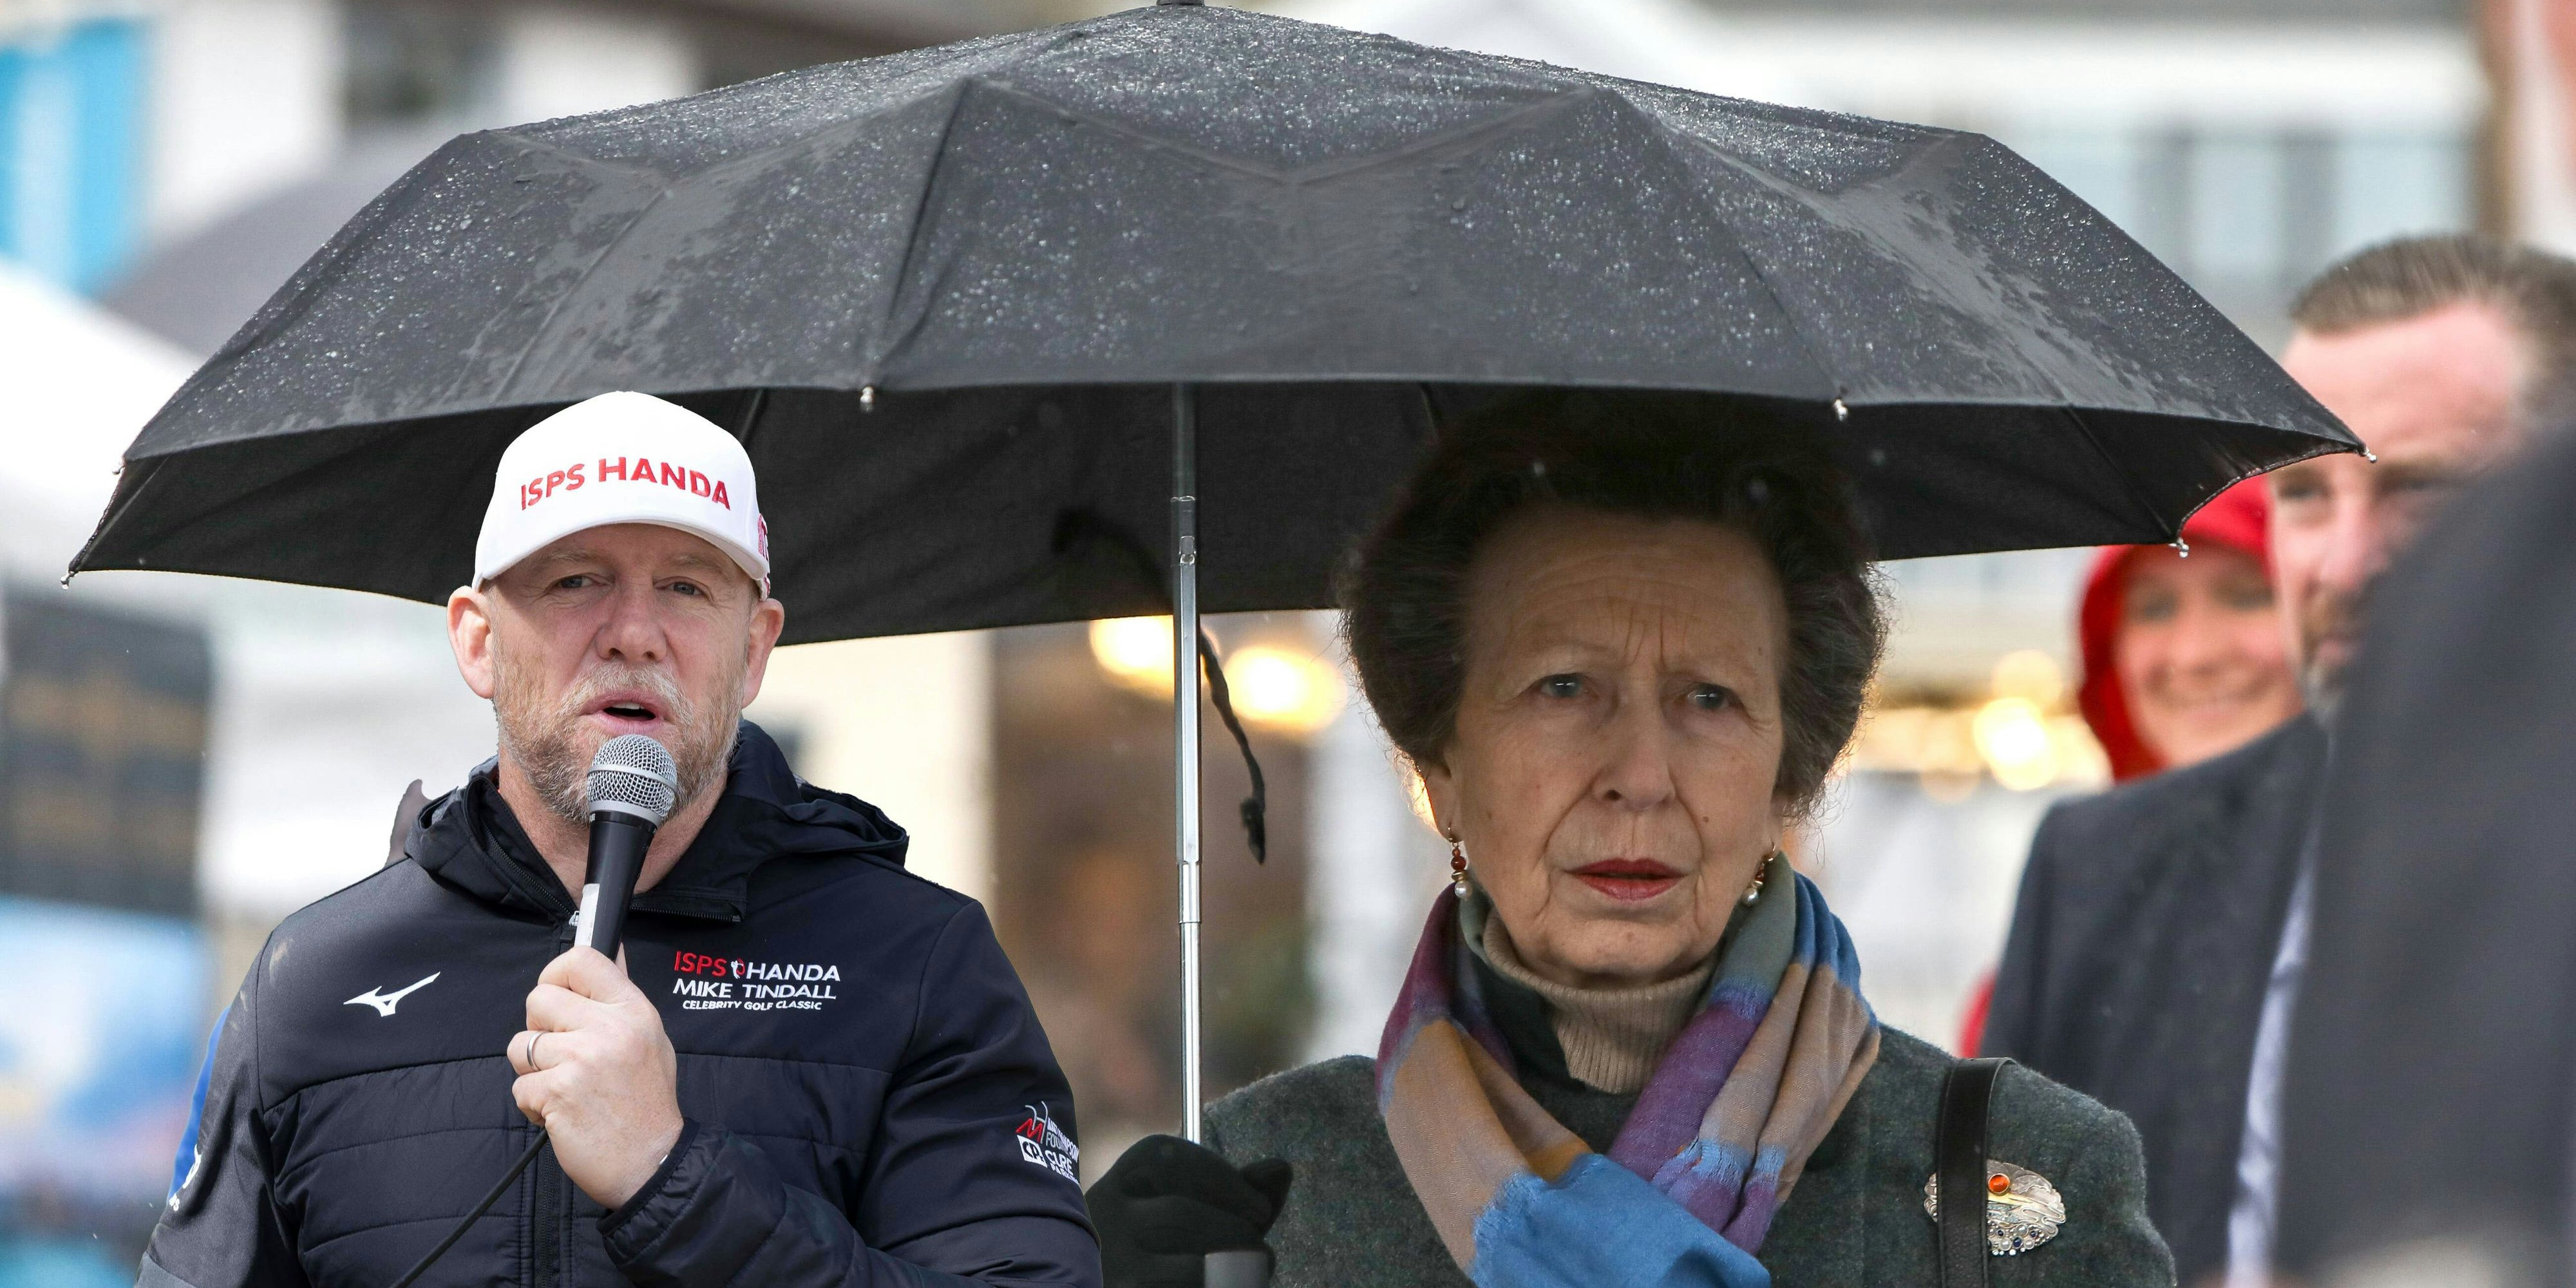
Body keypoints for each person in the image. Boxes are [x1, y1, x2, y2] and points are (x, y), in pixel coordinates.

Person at [1086, 392, 2172, 1287]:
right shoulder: (1258, 1199)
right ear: (1441, 768)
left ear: (1790, 767)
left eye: (1709, 698)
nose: (1641, 777)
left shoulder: (2021, 1182)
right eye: (1565, 688)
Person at [137, 392, 1100, 1288]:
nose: (633, 631)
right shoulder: (315, 978)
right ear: (477, 640)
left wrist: (672, 1178)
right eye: (575, 580)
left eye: (685, 586)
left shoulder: (918, 962)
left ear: (755, 648)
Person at [1980, 234, 2576, 1287]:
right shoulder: (2106, 871)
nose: (2343, 566)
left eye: (2425, 490)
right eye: (2303, 495)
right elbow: (2002, 1243)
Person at [1955, 479, 2298, 1054]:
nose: (2195, 655)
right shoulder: (2073, 903)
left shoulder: (2417, 886)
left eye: (2246, 595)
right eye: (2155, 607)